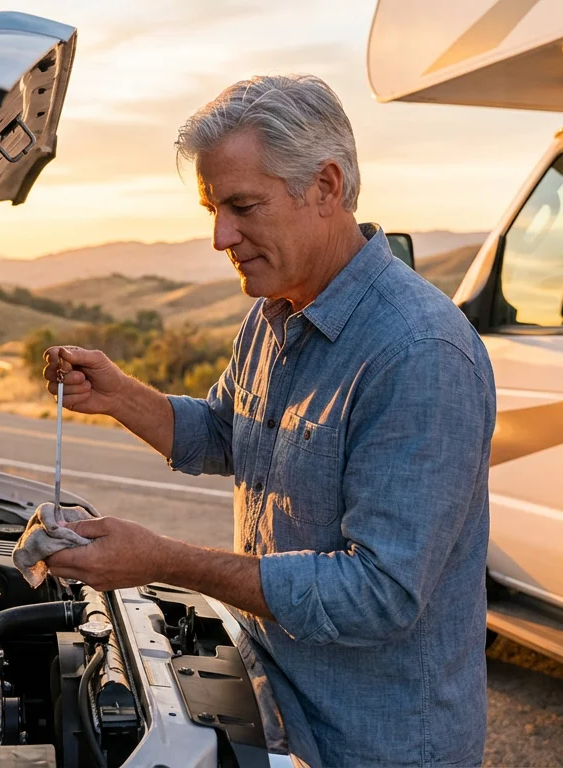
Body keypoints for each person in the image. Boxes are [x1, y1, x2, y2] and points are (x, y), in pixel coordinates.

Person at [42, 74, 495, 767]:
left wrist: (163, 561)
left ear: (326, 187)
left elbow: (379, 594)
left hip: (375, 747)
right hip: (277, 712)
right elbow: (227, 432)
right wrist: (119, 393)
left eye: (243, 206)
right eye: (213, 209)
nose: (222, 236)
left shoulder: (419, 353)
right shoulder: (272, 312)